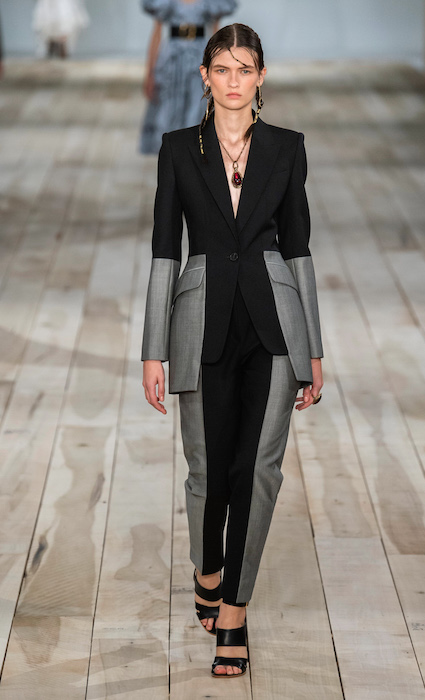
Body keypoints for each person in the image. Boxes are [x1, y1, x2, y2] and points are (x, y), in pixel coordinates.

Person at [141, 23, 324, 678]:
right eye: (222, 68)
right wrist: (153, 349)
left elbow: (298, 246)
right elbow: (165, 249)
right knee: (207, 471)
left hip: (275, 324)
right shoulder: (177, 149)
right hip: (200, 322)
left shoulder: (286, 147)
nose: (234, 80)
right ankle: (208, 569)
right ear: (205, 77)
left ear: (261, 77)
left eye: (245, 69)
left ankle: (234, 613)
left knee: (259, 470)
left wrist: (312, 346)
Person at [140, 0, 238, 155]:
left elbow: (216, 34)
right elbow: (156, 33)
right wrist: (150, 73)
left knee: (197, 107)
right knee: (169, 108)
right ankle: (171, 158)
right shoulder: (165, 3)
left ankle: (193, 157)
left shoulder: (210, 3)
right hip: (172, 60)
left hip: (199, 58)